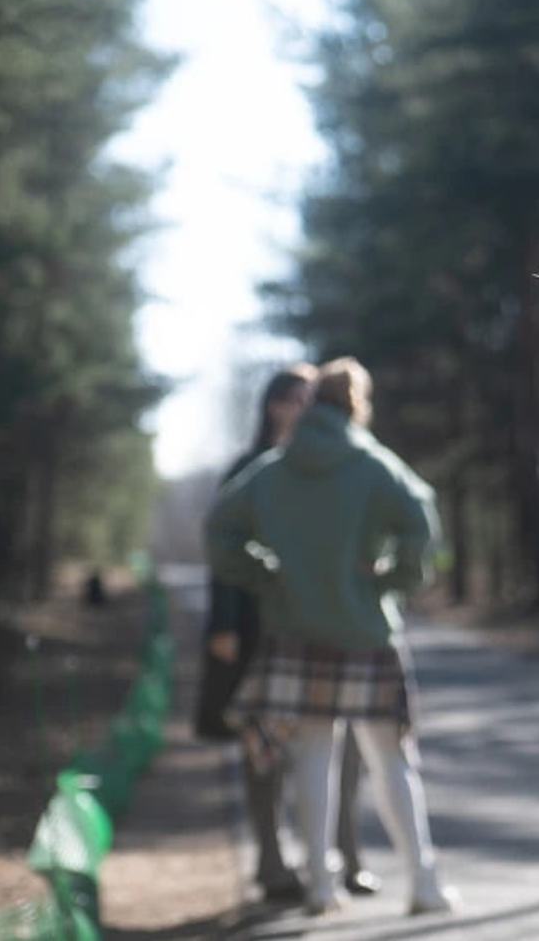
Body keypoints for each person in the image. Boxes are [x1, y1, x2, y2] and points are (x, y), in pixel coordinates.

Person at [204, 357, 456, 917]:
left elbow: (219, 531)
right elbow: (423, 521)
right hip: (366, 630)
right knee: (392, 760)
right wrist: (394, 579)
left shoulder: (272, 468)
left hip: (293, 629)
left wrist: (264, 575)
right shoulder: (373, 464)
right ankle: (424, 885)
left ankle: (320, 887)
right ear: (355, 405)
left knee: (312, 755)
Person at [192, 364, 379, 904]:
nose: (304, 408)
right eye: (295, 398)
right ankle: (273, 864)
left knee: (344, 749)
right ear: (274, 404)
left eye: (312, 397)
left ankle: (347, 858)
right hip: (257, 629)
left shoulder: (339, 466)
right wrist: (225, 622)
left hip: (328, 628)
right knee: (263, 747)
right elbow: (221, 546)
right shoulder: (252, 468)